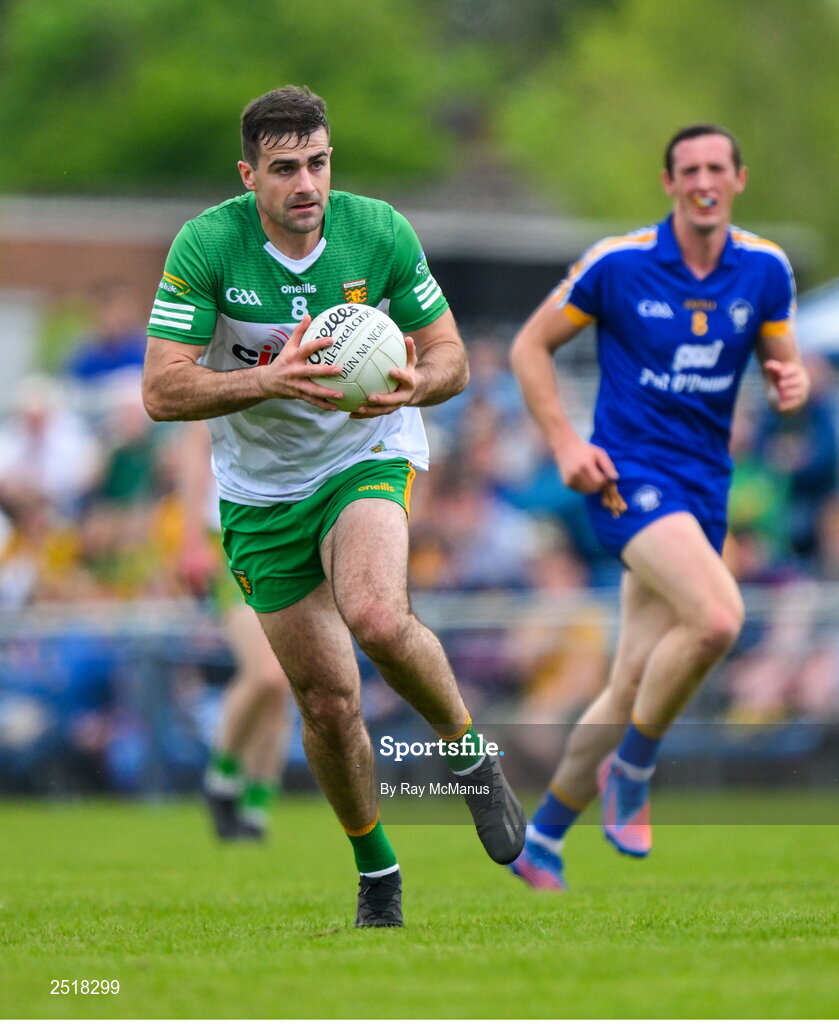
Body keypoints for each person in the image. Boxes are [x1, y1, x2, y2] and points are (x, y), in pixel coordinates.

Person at [142, 85, 525, 925]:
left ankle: (468, 755)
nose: (306, 183)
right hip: (260, 490)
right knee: (325, 701)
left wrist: (416, 384)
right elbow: (162, 391)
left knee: (379, 618)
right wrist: (267, 379)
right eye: (284, 169)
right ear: (249, 176)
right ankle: (376, 871)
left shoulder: (378, 230)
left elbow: (451, 355)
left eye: (317, 162)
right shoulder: (208, 245)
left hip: (365, 452)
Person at [508, 124, 810, 890]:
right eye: (689, 169)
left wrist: (790, 382)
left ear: (738, 178)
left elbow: (781, 357)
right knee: (716, 620)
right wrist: (565, 445)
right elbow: (527, 348)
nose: (703, 180)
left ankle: (541, 838)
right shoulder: (619, 264)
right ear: (668, 182)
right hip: (627, 478)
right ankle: (634, 767)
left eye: (716, 167)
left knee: (630, 677)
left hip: (705, 487)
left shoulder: (765, 269)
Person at [177, 420, 291, 841]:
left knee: (282, 686)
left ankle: (255, 812)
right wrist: (190, 540)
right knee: (267, 673)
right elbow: (193, 456)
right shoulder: (217, 361)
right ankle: (221, 779)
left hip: (282, 530)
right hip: (226, 536)